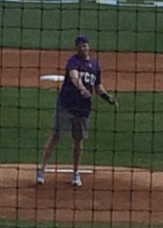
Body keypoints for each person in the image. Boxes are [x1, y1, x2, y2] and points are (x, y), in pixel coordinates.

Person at [36, 35, 117, 188]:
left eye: (85, 45)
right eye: (80, 45)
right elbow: (74, 77)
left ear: (89, 46)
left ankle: (75, 173)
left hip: (83, 109)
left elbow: (98, 86)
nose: (83, 48)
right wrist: (82, 89)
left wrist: (107, 97)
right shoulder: (73, 61)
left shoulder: (95, 65)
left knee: (78, 140)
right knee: (56, 135)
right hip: (66, 105)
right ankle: (41, 170)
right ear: (76, 48)